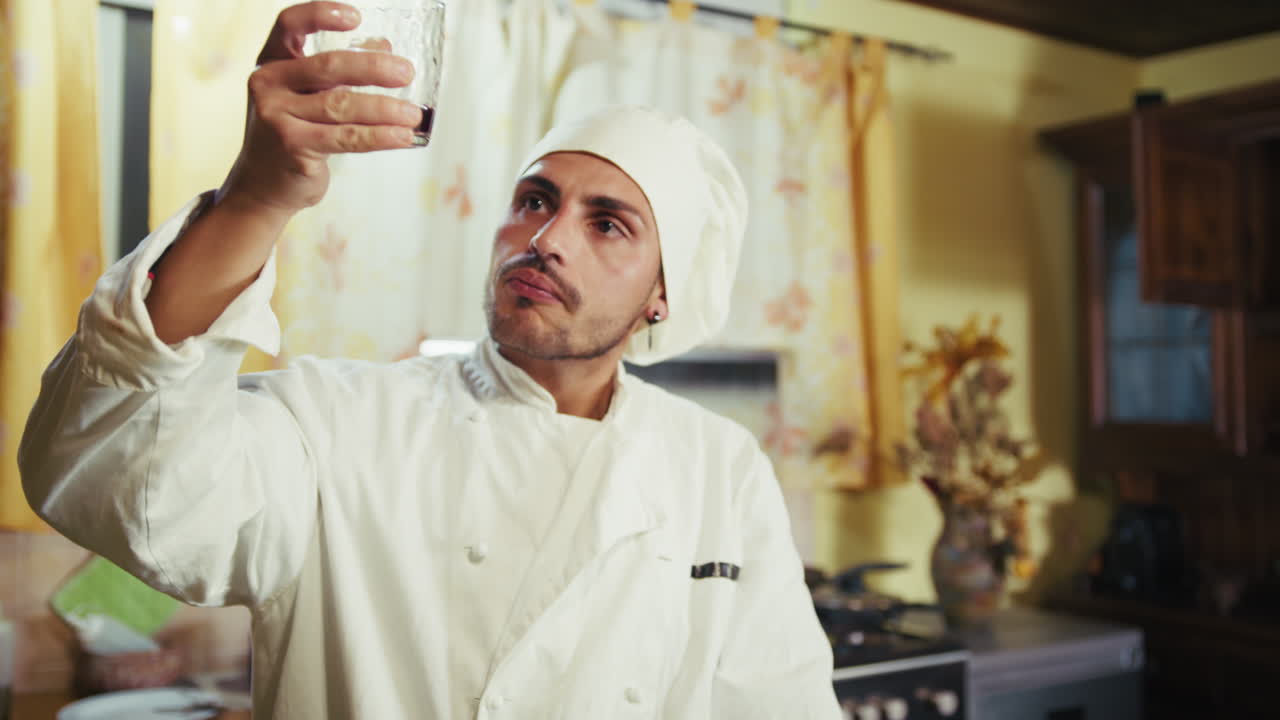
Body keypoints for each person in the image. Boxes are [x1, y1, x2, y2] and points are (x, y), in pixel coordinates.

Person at [20, 2, 839, 718]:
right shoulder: (337, 421)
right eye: (534, 201)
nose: (545, 240)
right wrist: (258, 196)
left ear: (664, 294)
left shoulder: (718, 468)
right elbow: (112, 479)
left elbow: (778, 704)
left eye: (609, 224)